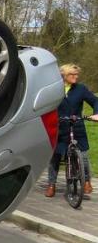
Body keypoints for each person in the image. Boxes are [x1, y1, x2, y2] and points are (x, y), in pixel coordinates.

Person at [45, 64, 98, 197]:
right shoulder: (55, 89)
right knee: (55, 156)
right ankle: (52, 184)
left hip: (77, 126)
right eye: (72, 74)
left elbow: (95, 101)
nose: (75, 77)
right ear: (63, 76)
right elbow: (46, 106)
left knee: (84, 156)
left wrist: (96, 113)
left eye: (76, 74)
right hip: (60, 128)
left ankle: (86, 181)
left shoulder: (81, 89)